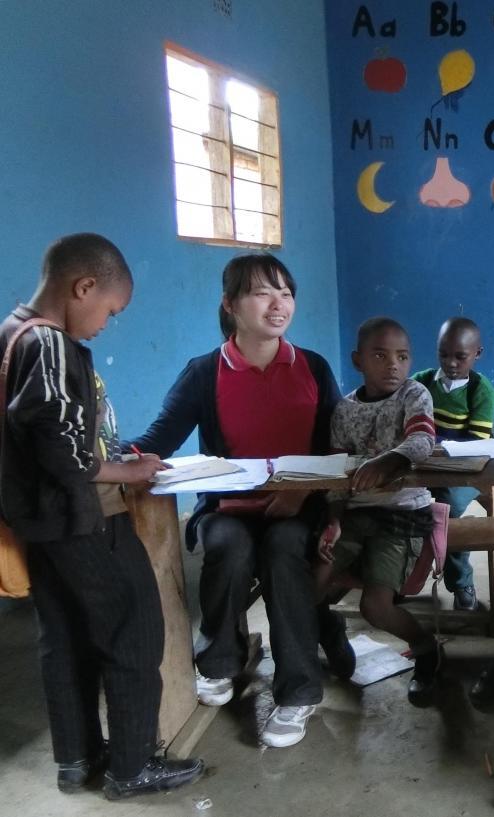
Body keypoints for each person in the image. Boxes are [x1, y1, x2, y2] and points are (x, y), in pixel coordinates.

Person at [0, 233, 204, 798]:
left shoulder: (11, 333)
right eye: (109, 311)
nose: (107, 324)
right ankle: (131, 766)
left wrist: (113, 454)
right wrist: (128, 473)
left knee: (63, 636)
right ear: (82, 287)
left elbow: (45, 434)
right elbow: (60, 453)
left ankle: (77, 758)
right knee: (134, 627)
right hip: (81, 520)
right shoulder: (50, 344)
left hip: (39, 522)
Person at [131, 254, 347, 749]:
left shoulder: (312, 366)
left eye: (286, 293)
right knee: (228, 544)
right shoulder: (206, 372)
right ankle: (221, 661)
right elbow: (158, 438)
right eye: (262, 293)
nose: (278, 304)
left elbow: (336, 447)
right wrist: (116, 459)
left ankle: (298, 690)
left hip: (298, 508)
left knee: (285, 549)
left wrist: (303, 496)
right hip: (227, 507)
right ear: (230, 304)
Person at [317, 317, 444, 706]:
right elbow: (336, 472)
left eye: (402, 356)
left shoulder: (414, 394)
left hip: (402, 515)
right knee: (310, 586)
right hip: (355, 514)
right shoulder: (344, 410)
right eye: (380, 355)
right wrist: (334, 518)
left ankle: (427, 650)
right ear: (358, 361)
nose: (393, 365)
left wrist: (387, 463)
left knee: (376, 607)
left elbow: (422, 439)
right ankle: (329, 633)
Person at [410, 317, 494, 611]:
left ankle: (462, 583)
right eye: (443, 354)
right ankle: (402, 579)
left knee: (446, 512)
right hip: (426, 466)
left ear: (478, 354)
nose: (451, 363)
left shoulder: (481, 391)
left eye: (460, 356)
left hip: (468, 471)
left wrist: (437, 454)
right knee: (402, 505)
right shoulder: (421, 382)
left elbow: (475, 447)